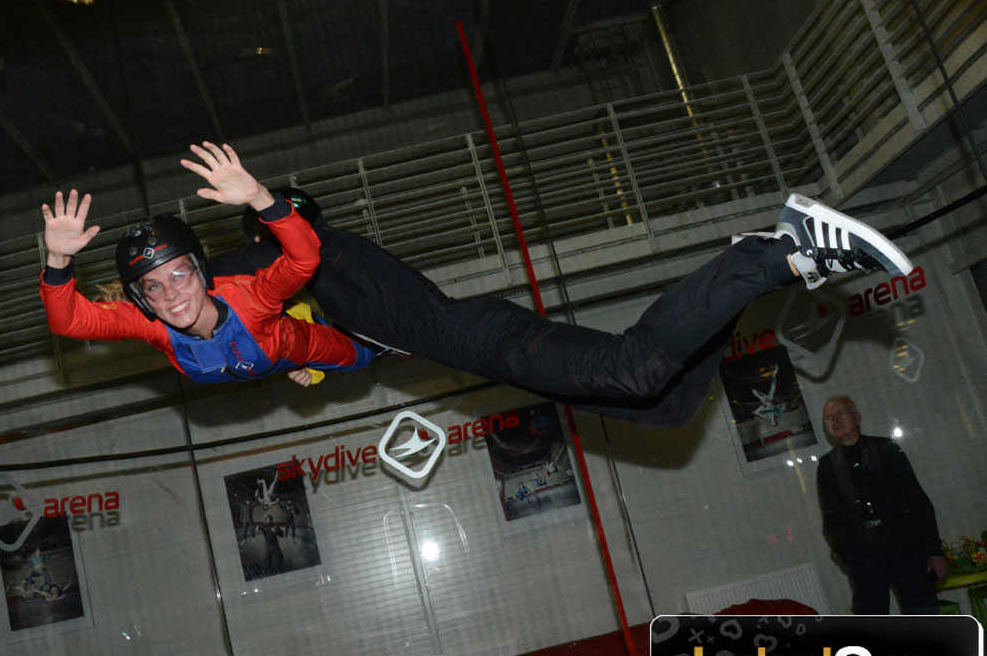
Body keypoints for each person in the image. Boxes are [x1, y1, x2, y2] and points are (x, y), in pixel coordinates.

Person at [209, 178, 915, 427]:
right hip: (480, 352)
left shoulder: (318, 248)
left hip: (483, 336)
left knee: (633, 369)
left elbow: (233, 271)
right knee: (665, 406)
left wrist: (152, 290)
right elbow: (363, 353)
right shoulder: (334, 293)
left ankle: (774, 251)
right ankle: (756, 270)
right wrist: (308, 361)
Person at [39, 142, 376, 388]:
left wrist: (260, 197)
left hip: (305, 345)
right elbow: (69, 322)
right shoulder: (151, 324)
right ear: (143, 299)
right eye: (154, 286)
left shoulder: (252, 301)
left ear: (201, 273)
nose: (171, 295)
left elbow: (304, 260)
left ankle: (301, 315)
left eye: (179, 275)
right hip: (269, 363)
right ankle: (299, 324)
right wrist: (58, 259)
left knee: (363, 356)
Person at [815, 395, 947, 614]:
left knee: (923, 614)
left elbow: (917, 500)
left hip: (906, 546)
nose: (836, 421)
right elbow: (831, 518)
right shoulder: (828, 465)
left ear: (857, 418)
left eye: (841, 414)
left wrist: (934, 551)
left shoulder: (886, 448)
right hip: (864, 555)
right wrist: (849, 557)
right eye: (829, 418)